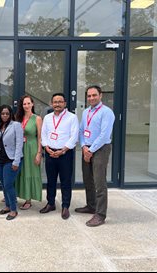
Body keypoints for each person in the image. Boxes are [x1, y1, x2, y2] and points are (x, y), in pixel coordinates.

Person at [76, 85, 115, 227]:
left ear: (101, 95)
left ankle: (100, 214)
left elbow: (104, 135)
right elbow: (81, 131)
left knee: (100, 182)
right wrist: (84, 147)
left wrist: (90, 150)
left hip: (100, 149)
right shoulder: (86, 112)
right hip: (87, 148)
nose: (91, 98)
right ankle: (91, 205)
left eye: (94, 95)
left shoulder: (107, 112)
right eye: (89, 96)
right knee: (88, 179)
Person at [40, 93, 79, 220]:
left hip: (65, 154)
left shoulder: (72, 118)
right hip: (50, 153)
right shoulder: (47, 118)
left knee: (65, 181)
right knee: (50, 180)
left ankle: (65, 206)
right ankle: (51, 203)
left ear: (65, 103)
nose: (57, 104)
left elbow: (74, 136)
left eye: (60, 101)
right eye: (55, 102)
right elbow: (43, 134)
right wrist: (46, 147)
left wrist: (63, 150)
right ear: (51, 103)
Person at [0, 105, 24, 221]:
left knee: (8, 184)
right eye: (3, 113)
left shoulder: (16, 125)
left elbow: (19, 144)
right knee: (3, 184)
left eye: (7, 113)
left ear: (11, 114)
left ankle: (13, 209)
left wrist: (16, 161)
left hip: (11, 160)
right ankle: (7, 205)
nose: (5, 115)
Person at [15, 95, 43, 210]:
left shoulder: (37, 118)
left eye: (28, 103)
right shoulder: (18, 118)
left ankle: (28, 199)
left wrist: (39, 153)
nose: (26, 106)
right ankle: (16, 194)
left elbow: (40, 137)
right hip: (20, 148)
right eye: (24, 104)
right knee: (19, 172)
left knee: (29, 172)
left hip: (31, 148)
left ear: (32, 104)